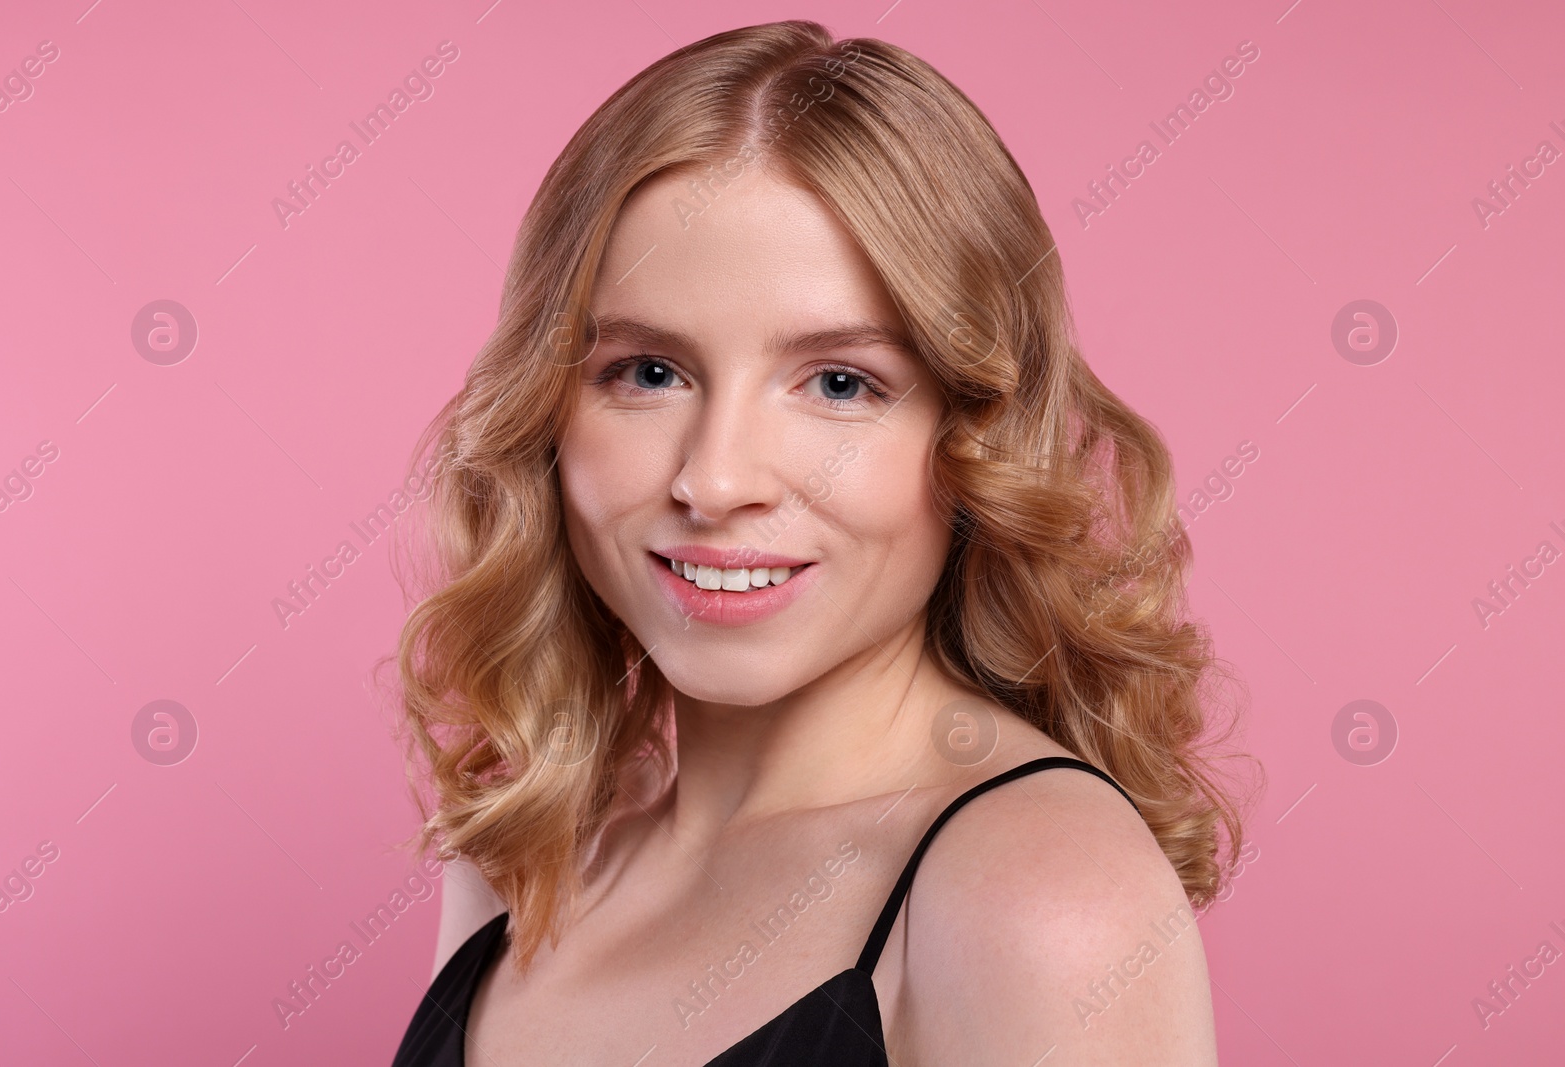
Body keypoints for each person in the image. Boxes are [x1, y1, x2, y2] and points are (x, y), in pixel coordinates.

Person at [388, 19, 1256, 1066]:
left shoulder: (1036, 891)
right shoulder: (531, 841)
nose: (714, 479)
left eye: (840, 383)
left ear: (977, 433)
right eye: (648, 371)